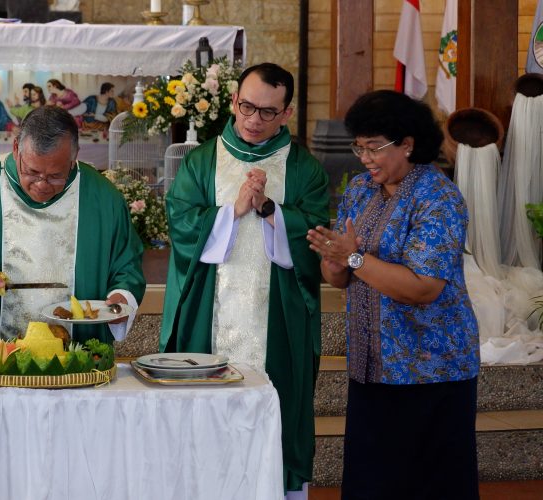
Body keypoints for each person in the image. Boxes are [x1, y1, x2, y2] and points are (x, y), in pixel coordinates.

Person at [159, 62, 329, 499]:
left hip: (277, 314)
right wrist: (231, 211)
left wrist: (272, 211)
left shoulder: (303, 168)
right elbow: (179, 223)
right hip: (209, 313)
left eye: (268, 112)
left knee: (276, 413)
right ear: (233, 102)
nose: (254, 120)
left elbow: (315, 237)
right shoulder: (201, 161)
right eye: (247, 107)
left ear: (287, 113)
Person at [306, 90, 480, 500]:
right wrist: (333, 260)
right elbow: (342, 279)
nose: (364, 158)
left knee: (428, 486)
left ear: (408, 143)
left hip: (430, 370)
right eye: (359, 146)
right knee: (371, 481)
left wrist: (354, 259)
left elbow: (424, 288)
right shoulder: (362, 191)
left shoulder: (438, 199)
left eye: (374, 147)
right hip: (372, 364)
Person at [0, 106, 146, 364]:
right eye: (32, 172)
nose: (42, 184)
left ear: (74, 158)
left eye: (55, 176)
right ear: (16, 149)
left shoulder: (102, 197)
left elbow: (127, 263)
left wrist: (120, 299)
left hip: (76, 356)